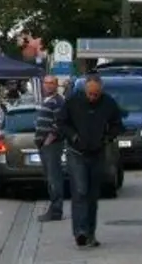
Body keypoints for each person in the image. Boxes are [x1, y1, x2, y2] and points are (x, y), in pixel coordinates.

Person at [55, 73, 126, 248]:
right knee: (80, 191)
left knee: (92, 195)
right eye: (90, 94)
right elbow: (62, 122)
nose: (93, 98)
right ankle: (80, 231)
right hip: (76, 153)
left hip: (97, 153)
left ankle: (91, 233)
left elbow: (118, 124)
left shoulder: (108, 103)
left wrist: (107, 138)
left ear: (100, 91)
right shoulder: (73, 101)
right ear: (85, 90)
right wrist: (73, 136)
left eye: (96, 94)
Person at [35, 77, 68, 222]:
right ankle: (53, 208)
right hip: (44, 146)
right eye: (46, 83)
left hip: (52, 146)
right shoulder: (47, 101)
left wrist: (49, 139)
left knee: (54, 178)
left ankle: (56, 210)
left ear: (56, 85)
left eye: (51, 83)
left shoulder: (58, 101)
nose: (47, 86)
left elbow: (60, 123)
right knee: (50, 178)